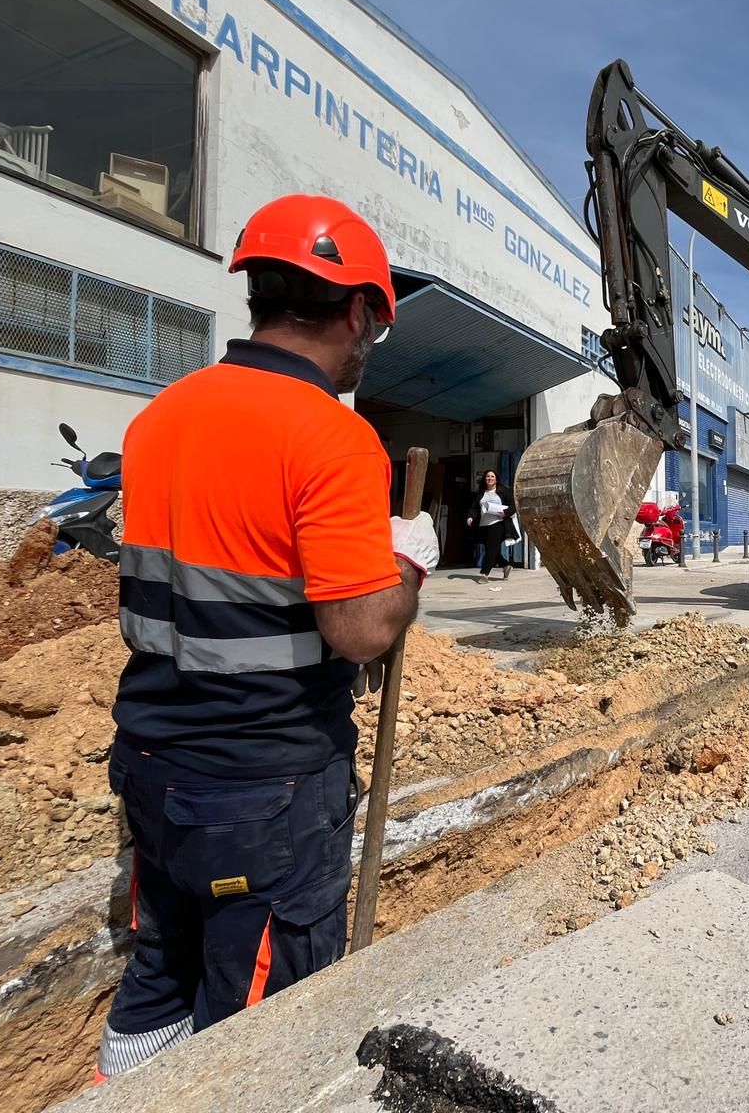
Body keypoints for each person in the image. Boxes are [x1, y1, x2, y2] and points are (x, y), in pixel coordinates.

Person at [95, 195, 441, 1081]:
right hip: (262, 789)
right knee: (257, 1041)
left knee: (157, 977)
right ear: (360, 310)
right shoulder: (330, 436)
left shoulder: (158, 419)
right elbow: (359, 630)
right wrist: (407, 566)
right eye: (376, 326)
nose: (369, 349)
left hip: (149, 762)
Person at [467, 469, 519, 580]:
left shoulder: (504, 491)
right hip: (484, 525)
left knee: (491, 549)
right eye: (487, 476)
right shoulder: (481, 493)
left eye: (492, 476)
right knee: (492, 549)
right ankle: (505, 565)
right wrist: (470, 517)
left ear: (496, 480)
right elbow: (475, 508)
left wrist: (505, 513)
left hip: (498, 524)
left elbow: (513, 506)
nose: (489, 478)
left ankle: (484, 574)